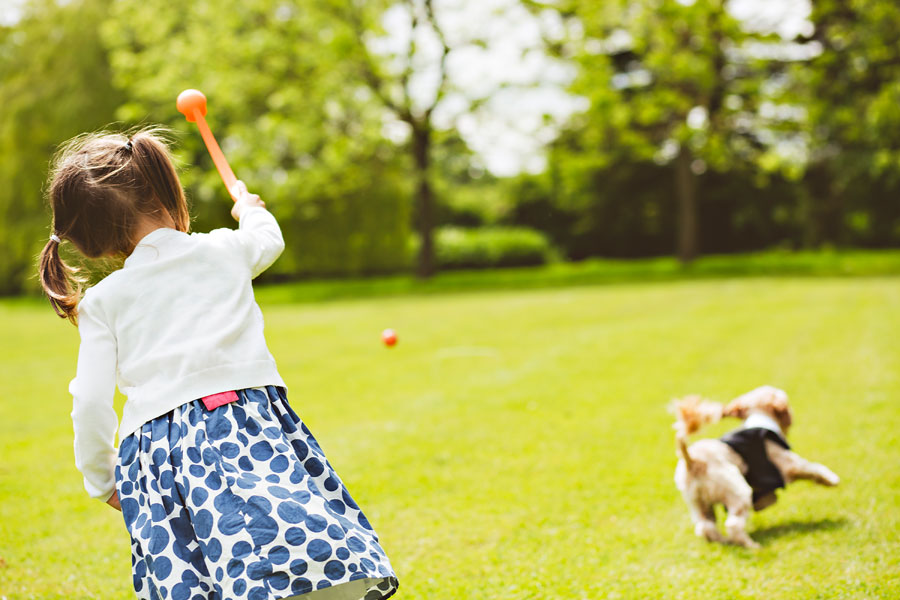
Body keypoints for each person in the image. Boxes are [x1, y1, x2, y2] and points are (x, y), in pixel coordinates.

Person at [38, 128, 399, 600]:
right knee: (286, 543)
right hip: (248, 424)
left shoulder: (103, 301)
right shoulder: (224, 250)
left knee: (197, 574)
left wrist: (102, 477)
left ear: (96, 238)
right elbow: (268, 240)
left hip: (160, 450)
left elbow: (89, 400)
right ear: (167, 189)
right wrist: (251, 209)